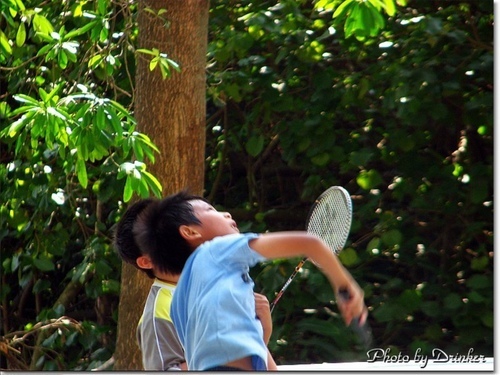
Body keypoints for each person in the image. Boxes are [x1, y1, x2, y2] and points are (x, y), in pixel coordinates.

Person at [134, 191, 368, 371]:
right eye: (211, 209)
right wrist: (344, 285)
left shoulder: (183, 300)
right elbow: (311, 243)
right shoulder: (215, 250)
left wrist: (261, 334)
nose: (226, 214)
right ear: (190, 232)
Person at [114, 197, 275, 371]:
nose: (226, 214)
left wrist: (262, 332)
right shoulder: (159, 312)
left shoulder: (222, 284)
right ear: (146, 261)